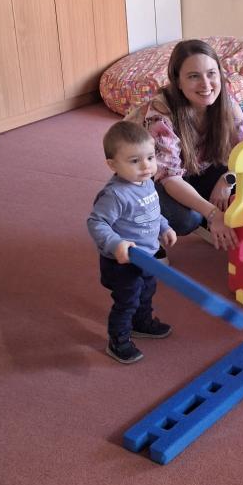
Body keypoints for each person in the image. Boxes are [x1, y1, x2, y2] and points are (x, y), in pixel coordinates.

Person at [129, 39, 243, 251]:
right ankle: (144, 228)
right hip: (155, 179)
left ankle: (208, 212)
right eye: (194, 76)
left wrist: (228, 179)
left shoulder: (225, 102)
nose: (206, 84)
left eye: (211, 74)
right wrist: (213, 213)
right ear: (178, 82)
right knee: (186, 219)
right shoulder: (160, 113)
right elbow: (170, 178)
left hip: (196, 170)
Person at [87, 120, 177, 365]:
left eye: (150, 157)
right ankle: (118, 340)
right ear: (112, 165)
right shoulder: (115, 195)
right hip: (123, 262)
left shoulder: (146, 182)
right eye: (135, 161)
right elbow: (96, 223)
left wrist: (164, 226)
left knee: (147, 292)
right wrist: (116, 244)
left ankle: (141, 323)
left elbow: (152, 211)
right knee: (127, 301)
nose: (146, 166)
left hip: (148, 256)